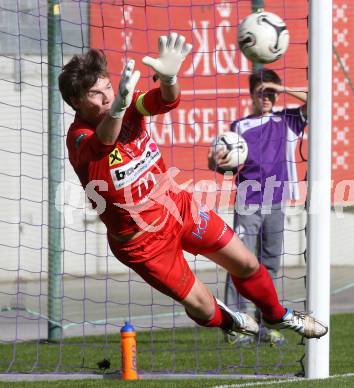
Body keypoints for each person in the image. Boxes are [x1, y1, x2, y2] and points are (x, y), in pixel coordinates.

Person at [59, 32, 327, 343]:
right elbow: (104, 141)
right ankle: (229, 320)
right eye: (96, 94)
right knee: (201, 307)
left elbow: (166, 100)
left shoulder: (127, 103)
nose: (107, 96)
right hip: (143, 243)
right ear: (77, 101)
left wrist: (170, 78)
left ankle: (278, 316)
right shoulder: (78, 137)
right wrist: (118, 106)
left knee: (246, 263)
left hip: (178, 207)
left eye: (108, 87)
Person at [208, 68, 308, 346]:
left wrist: (282, 88)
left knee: (271, 265)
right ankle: (236, 325)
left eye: (270, 93)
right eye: (261, 92)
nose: (266, 98)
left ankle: (266, 324)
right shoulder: (239, 128)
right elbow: (220, 165)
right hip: (248, 202)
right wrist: (215, 161)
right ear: (251, 93)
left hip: (277, 202)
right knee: (240, 263)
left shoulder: (288, 120)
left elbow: (316, 100)